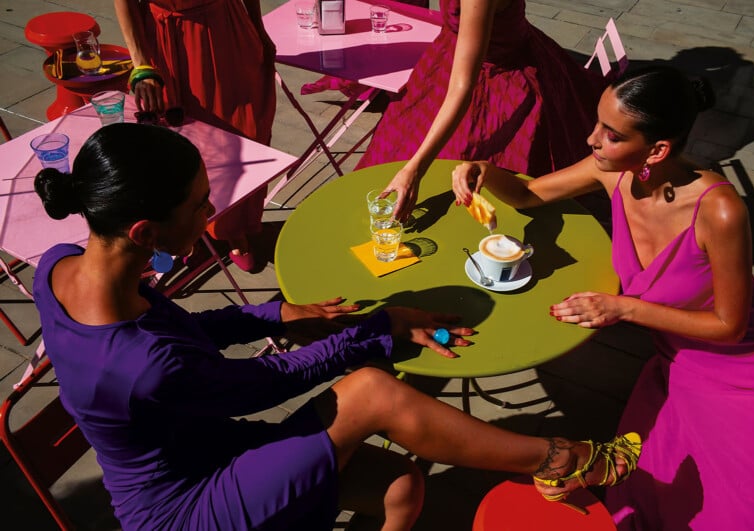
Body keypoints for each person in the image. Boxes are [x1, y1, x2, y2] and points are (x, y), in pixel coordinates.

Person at [32, 123, 639, 530]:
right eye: (198, 205)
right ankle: (559, 459)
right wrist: (379, 328)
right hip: (182, 507)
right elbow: (262, 386)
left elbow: (184, 329)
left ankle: (551, 460)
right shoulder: (142, 365)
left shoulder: (61, 267)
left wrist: (277, 312)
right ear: (144, 231)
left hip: (198, 448)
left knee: (400, 487)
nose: (211, 212)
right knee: (372, 391)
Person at [452, 65, 754, 530]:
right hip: (678, 357)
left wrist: (623, 307)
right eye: (597, 124)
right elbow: (530, 195)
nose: (592, 140)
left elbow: (729, 326)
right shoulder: (613, 172)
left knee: (742, 507)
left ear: (656, 149)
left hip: (751, 362)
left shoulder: (720, 209)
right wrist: (485, 170)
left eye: (610, 134)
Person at [357, 0, 606, 222]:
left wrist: (414, 170)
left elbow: (462, 88)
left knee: (465, 176)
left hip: (494, 81)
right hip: (457, 56)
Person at [114, 0, 277, 272]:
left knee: (242, 134)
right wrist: (141, 65)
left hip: (227, 30)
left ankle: (232, 228)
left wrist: (259, 30)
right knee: (177, 142)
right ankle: (185, 231)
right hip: (164, 38)